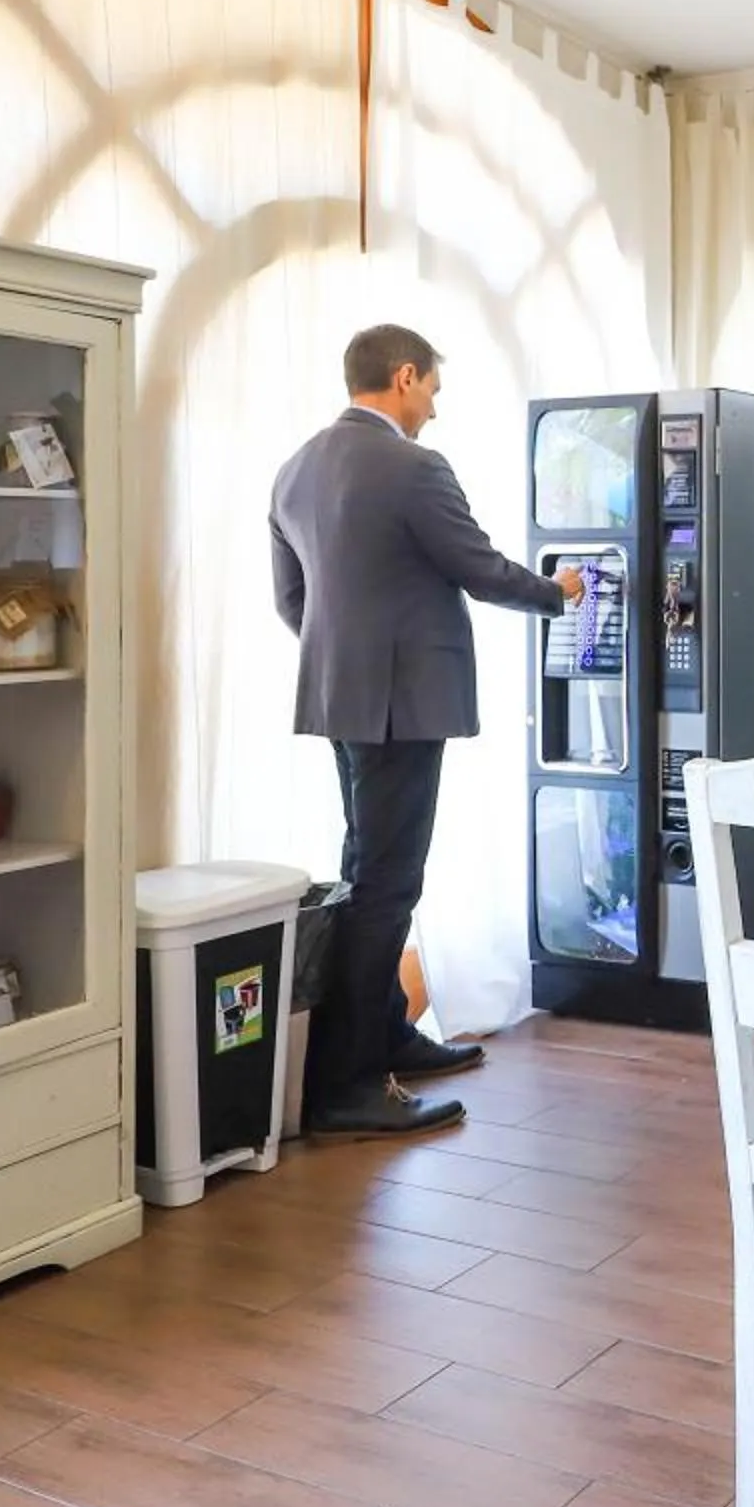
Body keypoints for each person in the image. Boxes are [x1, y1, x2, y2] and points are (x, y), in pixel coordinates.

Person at [269, 324, 582, 1138]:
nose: (434, 411)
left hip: (341, 701)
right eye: (433, 391)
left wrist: (351, 663)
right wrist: (559, 589)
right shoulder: (413, 466)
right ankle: (345, 1087)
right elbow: (478, 569)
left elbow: (292, 604)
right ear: (403, 377)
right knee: (388, 884)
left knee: (362, 870)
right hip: (403, 706)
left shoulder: (294, 469)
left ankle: (383, 1036)